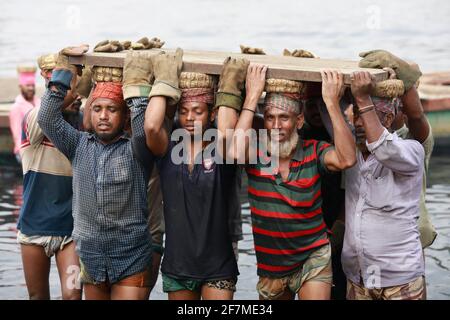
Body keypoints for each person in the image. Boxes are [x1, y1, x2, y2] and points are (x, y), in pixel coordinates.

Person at [220, 64, 356, 300]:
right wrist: (252, 97)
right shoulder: (257, 153)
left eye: (284, 118)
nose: (276, 125)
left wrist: (332, 104)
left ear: (299, 120)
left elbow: (347, 158)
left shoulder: (314, 151)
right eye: (270, 117)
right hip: (271, 265)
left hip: (313, 256)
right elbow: (233, 152)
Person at [37, 45, 154, 300]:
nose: (103, 116)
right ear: (89, 112)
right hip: (91, 258)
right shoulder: (77, 145)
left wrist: (135, 85)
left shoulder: (137, 150)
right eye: (97, 108)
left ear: (124, 117)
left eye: (112, 109)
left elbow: (143, 127)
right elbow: (46, 117)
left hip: (131, 257)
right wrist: (66, 68)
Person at [143, 51, 242, 300]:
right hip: (178, 265)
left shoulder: (221, 151)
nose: (189, 118)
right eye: (184, 111)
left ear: (211, 115)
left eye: (197, 111)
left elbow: (228, 130)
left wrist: (229, 85)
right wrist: (164, 79)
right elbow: (153, 126)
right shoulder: (167, 150)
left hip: (218, 267)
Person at [343, 68, 426, 300]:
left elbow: (383, 147)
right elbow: (329, 112)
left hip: (400, 280)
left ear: (388, 119)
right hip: (358, 277)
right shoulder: (350, 153)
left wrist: (362, 97)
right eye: (356, 115)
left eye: (366, 115)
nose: (359, 123)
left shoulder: (411, 151)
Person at [16, 53, 87, 300]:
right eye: (71, 89)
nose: (77, 96)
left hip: (70, 232)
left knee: (72, 294)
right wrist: (68, 72)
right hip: (34, 230)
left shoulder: (82, 127)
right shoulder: (34, 122)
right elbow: (51, 106)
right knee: (38, 297)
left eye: (79, 91)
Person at [358, 51, 437, 250]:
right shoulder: (361, 137)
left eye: (402, 99)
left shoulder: (414, 142)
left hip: (409, 242)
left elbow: (416, 115)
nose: (400, 104)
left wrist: (403, 76)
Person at [9, 65, 40, 163]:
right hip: (24, 151)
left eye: (32, 85)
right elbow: (17, 134)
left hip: (39, 150)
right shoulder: (16, 107)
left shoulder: (39, 102)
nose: (31, 88)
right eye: (27, 85)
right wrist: (22, 153)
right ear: (20, 86)